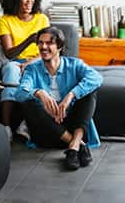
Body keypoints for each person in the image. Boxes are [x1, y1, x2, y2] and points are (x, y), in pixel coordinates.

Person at [15, 26, 103, 170]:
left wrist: (71, 95)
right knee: (29, 103)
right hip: (48, 133)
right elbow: (19, 93)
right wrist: (38, 92)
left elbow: (96, 78)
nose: (43, 47)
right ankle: (78, 145)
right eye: (40, 43)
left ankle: (73, 146)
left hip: (72, 125)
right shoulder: (32, 69)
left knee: (89, 91)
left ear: (60, 46)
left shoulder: (74, 64)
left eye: (49, 43)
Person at [0, 0, 50, 137]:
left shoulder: (42, 19)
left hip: (38, 60)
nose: (29, 1)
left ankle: (25, 124)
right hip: (15, 62)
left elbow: (48, 50)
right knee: (11, 71)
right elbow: (9, 53)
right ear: (14, 0)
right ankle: (6, 127)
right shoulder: (5, 20)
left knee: (36, 75)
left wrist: (29, 63)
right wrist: (29, 40)